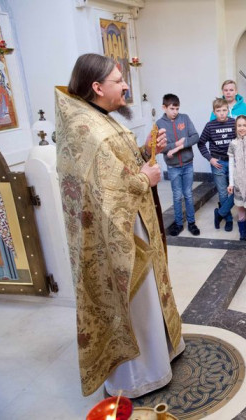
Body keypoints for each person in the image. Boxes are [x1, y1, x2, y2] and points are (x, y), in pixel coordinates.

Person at [55, 53, 184, 397]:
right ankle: (139, 377)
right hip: (118, 233)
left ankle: (160, 355)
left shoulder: (100, 117)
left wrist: (143, 152)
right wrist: (144, 179)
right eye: (118, 81)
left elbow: (116, 166)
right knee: (135, 301)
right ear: (97, 87)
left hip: (132, 221)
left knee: (149, 296)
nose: (126, 86)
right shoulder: (85, 128)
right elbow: (103, 193)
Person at [156, 93, 200, 236]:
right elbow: (160, 147)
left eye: (177, 108)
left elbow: (195, 137)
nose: (175, 112)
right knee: (177, 195)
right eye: (172, 109)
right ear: (164, 108)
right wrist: (175, 144)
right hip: (173, 166)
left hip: (188, 164)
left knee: (188, 194)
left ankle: (192, 223)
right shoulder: (159, 124)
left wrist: (182, 144)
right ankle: (179, 223)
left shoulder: (185, 118)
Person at [199, 98, 236, 232]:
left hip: (233, 161)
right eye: (218, 111)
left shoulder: (234, 123)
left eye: (224, 110)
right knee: (223, 192)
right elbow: (201, 143)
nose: (221, 113)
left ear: (228, 110)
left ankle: (220, 213)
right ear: (214, 112)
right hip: (218, 163)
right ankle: (228, 219)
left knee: (237, 190)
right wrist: (210, 159)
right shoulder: (210, 126)